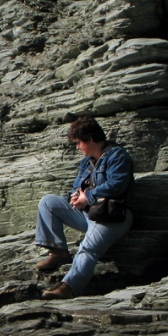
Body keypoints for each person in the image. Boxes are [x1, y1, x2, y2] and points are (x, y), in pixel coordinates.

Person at [34, 116, 134, 299]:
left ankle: (69, 287)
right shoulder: (87, 162)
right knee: (48, 202)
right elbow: (76, 188)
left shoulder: (117, 156)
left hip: (111, 217)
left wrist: (87, 197)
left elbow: (117, 185)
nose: (78, 147)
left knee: (87, 248)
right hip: (87, 214)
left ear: (90, 139)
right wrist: (74, 197)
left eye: (79, 143)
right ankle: (58, 252)